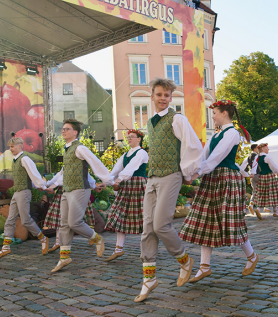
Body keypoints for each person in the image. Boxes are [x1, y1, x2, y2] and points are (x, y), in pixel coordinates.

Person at [135, 78, 202, 303]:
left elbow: (192, 145)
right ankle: (149, 278)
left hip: (170, 175)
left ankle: (184, 260)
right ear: (152, 96)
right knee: (147, 228)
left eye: (167, 95)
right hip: (152, 178)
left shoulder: (177, 119)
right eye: (159, 95)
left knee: (161, 225)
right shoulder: (150, 123)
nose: (163, 98)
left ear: (171, 97)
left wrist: (187, 172)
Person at [179, 100, 259, 282]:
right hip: (212, 179)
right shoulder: (217, 135)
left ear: (224, 113)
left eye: (215, 112)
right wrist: (190, 171)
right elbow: (203, 156)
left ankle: (252, 256)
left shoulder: (232, 134)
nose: (212, 116)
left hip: (226, 179)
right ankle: (204, 266)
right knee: (206, 221)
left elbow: (216, 157)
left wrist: (197, 172)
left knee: (231, 221)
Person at [44, 119, 113, 272]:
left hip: (79, 189)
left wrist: (107, 180)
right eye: (62, 129)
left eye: (66, 129)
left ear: (75, 132)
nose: (63, 131)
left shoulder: (80, 148)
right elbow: (64, 171)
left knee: (74, 222)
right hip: (67, 190)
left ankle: (96, 238)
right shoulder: (67, 149)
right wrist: (50, 184)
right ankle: (64, 257)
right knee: (64, 224)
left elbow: (95, 163)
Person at [0, 137, 49, 260]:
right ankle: (5, 248)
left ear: (19, 146)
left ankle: (43, 238)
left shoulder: (25, 159)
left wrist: (41, 186)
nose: (10, 149)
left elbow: (33, 174)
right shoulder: (15, 160)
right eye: (10, 147)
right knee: (10, 219)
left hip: (24, 192)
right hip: (17, 192)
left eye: (12, 146)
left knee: (25, 220)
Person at [103, 129, 149, 261]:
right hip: (126, 185)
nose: (129, 139)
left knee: (143, 218)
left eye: (132, 137)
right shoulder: (125, 155)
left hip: (137, 185)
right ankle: (118, 248)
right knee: (120, 215)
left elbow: (131, 168)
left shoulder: (142, 153)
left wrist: (120, 179)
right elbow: (117, 169)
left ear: (139, 139)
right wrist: (108, 181)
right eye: (128, 137)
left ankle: (146, 250)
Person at [42, 175, 99, 253]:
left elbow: (86, 175)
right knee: (60, 215)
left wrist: (52, 186)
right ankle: (58, 241)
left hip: (77, 190)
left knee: (82, 215)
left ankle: (91, 236)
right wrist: (48, 183)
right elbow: (60, 174)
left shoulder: (79, 163)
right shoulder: (66, 165)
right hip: (63, 191)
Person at [251, 143, 278, 218]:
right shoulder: (267, 157)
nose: (268, 149)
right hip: (269, 177)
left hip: (262, 177)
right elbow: (274, 167)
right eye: (267, 148)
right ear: (263, 149)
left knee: (262, 193)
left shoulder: (257, 157)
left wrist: (252, 173)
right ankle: (275, 212)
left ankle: (258, 209)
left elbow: (254, 166)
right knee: (273, 193)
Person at [242, 144, 263, 220]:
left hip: (252, 176)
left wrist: (246, 174)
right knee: (261, 192)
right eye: (257, 148)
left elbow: (243, 166)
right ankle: (258, 208)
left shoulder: (248, 157)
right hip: (258, 174)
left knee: (254, 191)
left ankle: (251, 204)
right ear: (255, 149)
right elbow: (256, 165)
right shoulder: (257, 156)